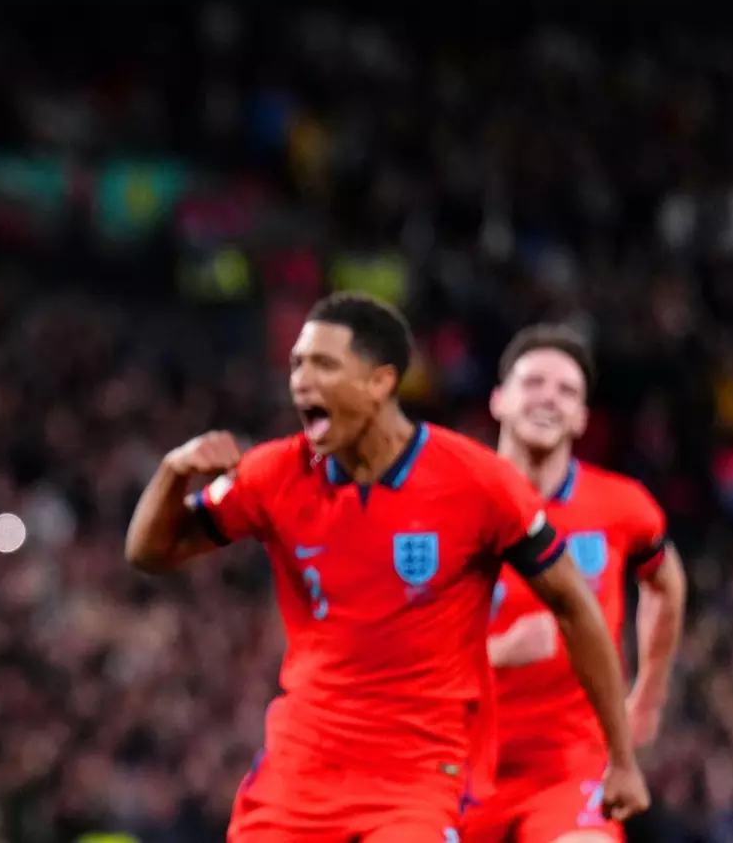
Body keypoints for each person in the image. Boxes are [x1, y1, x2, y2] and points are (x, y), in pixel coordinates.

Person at [125, 292, 649, 843]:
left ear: (380, 382)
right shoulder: (275, 473)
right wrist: (172, 472)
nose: (302, 380)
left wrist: (620, 756)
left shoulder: (477, 483)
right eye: (298, 364)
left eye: (324, 365)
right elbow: (150, 552)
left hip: (417, 778)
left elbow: (575, 605)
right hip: (301, 771)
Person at [463, 326, 687, 843]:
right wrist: (496, 652)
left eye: (566, 390)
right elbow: (393, 642)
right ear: (499, 400)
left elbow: (665, 582)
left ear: (584, 417)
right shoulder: (450, 505)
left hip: (568, 769)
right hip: (455, 765)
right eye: (533, 382)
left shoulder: (620, 505)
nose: (549, 397)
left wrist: (648, 698)